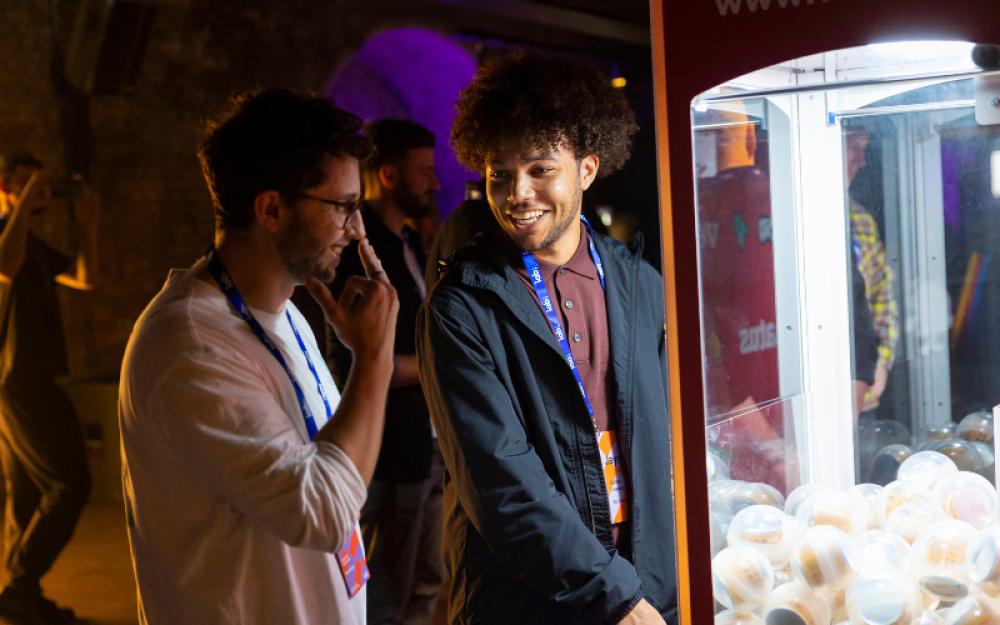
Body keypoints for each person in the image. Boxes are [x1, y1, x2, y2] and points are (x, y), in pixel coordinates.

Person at [118, 89, 399, 625]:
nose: (357, 230)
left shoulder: (288, 312)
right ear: (272, 210)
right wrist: (376, 360)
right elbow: (324, 512)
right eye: (343, 207)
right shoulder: (191, 343)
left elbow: (330, 470)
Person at [417, 53, 677, 625]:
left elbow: (665, 442)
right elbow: (501, 482)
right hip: (527, 601)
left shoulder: (639, 283)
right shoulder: (464, 304)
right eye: (500, 174)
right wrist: (617, 596)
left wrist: (657, 585)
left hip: (646, 582)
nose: (518, 194)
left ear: (586, 169)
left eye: (540, 169)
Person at [326, 118, 443, 625]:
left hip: (425, 442)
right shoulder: (360, 253)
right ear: (389, 175)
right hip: (391, 451)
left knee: (427, 581)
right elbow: (358, 361)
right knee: (387, 596)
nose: (435, 183)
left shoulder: (409, 244)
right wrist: (440, 367)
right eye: (425, 172)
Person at [0, 152, 99, 625]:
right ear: (6, 190)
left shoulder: (35, 245)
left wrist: (88, 223)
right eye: (27, 182)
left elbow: (86, 277)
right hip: (19, 380)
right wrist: (17, 200)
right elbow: (4, 265)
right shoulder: (7, 234)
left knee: (23, 491)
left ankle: (20, 593)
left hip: (32, 377)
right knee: (70, 483)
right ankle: (20, 581)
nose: (39, 190)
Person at [845, 126, 899, 421]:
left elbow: (881, 296)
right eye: (854, 147)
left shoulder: (862, 220)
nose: (862, 161)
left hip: (861, 387)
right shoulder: (784, 217)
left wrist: (883, 362)